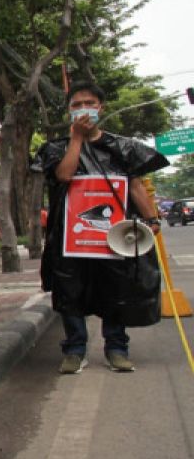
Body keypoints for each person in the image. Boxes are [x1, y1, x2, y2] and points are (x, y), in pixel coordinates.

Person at [33, 82, 167, 374]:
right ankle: (75, 350)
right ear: (68, 110)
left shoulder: (122, 148)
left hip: (113, 237)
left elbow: (135, 186)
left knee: (116, 289)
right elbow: (64, 175)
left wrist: (152, 219)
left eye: (89, 103)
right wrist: (76, 140)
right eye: (76, 105)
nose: (83, 109)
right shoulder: (56, 149)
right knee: (69, 290)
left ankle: (116, 348)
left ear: (100, 107)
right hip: (72, 238)